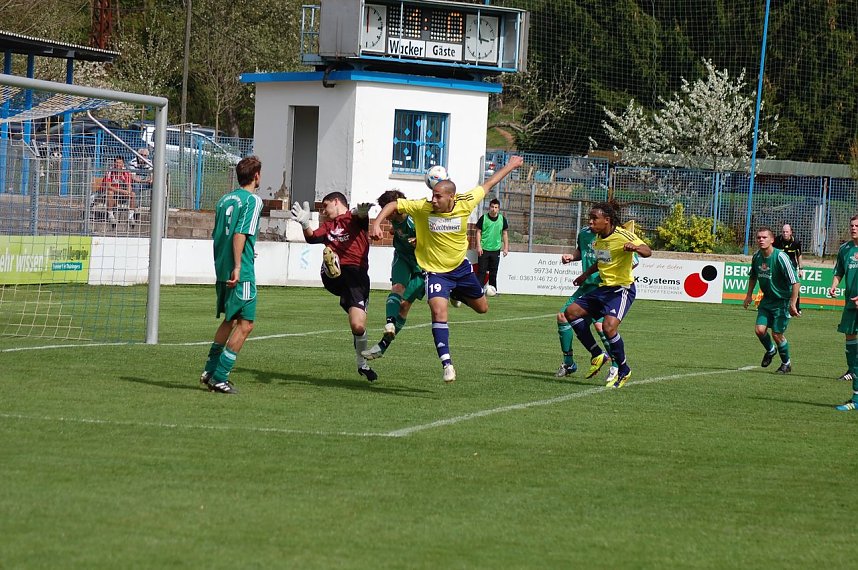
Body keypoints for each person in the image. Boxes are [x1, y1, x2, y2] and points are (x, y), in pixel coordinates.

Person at [369, 155, 525, 383]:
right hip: (435, 272)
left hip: (460, 269)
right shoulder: (423, 207)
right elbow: (394, 204)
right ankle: (447, 364)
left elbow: (489, 184)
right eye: (432, 195)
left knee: (482, 308)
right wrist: (376, 223)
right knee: (438, 311)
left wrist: (511, 165)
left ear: (451, 197)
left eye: (438, 196)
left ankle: (455, 293)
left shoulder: (466, 202)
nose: (433, 199)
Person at [290, 192, 378, 382]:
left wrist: (362, 213)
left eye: (326, 205)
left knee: (358, 325)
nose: (324, 210)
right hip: (335, 276)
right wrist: (305, 224)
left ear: (337, 202)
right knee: (329, 255)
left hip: (357, 278)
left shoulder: (354, 218)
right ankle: (331, 266)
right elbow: (312, 238)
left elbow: (360, 216)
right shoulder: (328, 226)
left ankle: (362, 365)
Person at [564, 202, 652, 389]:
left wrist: (634, 248)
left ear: (607, 220)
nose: (590, 221)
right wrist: (584, 275)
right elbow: (602, 261)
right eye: (590, 217)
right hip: (603, 289)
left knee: (608, 327)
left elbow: (648, 251)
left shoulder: (622, 235)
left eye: (594, 218)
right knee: (570, 313)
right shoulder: (598, 238)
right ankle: (597, 353)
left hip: (622, 289)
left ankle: (623, 369)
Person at [199, 156, 264, 394]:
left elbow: (219, 235)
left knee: (230, 320)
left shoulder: (224, 200)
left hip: (222, 268)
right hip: (241, 271)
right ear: (256, 175)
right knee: (246, 324)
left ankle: (209, 371)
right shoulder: (253, 201)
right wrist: (239, 265)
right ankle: (220, 376)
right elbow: (239, 234)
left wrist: (228, 264)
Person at [361, 189, 425, 360]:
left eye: (387, 210)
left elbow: (432, 237)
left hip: (422, 265)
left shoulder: (416, 218)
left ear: (395, 209)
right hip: (402, 258)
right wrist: (392, 231)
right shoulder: (398, 219)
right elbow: (396, 229)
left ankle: (382, 346)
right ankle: (389, 323)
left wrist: (420, 241)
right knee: (397, 288)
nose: (386, 214)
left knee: (404, 305)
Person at [742, 227, 800, 374]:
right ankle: (771, 350)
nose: (761, 240)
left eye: (764, 237)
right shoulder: (756, 257)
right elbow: (753, 276)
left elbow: (795, 281)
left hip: (782, 301)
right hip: (767, 300)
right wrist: (748, 295)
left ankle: (786, 363)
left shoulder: (781, 257)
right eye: (759, 237)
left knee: (777, 334)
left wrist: (793, 303)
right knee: (759, 330)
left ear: (772, 240)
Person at [829, 215, 858, 410]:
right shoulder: (845, 249)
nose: (854, 228)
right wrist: (834, 286)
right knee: (851, 350)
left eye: (857, 225)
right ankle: (856, 398)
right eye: (852, 225)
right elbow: (839, 271)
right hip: (851, 305)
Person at [475, 198, 509, 294]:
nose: (494, 209)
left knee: (493, 272)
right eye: (492, 207)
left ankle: (493, 291)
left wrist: (506, 247)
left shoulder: (502, 219)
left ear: (498, 209)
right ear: (489, 207)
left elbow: (505, 233)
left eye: (496, 207)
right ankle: (479, 291)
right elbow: (478, 232)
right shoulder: (483, 218)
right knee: (481, 271)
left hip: (496, 249)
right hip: (484, 249)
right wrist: (478, 246)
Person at [774, 223, 803, 314]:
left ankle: (796, 308)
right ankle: (776, 306)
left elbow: (799, 255)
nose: (785, 233)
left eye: (787, 232)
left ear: (791, 232)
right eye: (783, 232)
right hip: (780, 266)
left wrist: (801, 269)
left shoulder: (796, 242)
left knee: (795, 286)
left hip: (792, 266)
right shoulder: (777, 240)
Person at [101, 155, 136, 225]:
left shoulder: (125, 172)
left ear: (123, 164)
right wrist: (123, 191)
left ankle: (130, 217)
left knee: (133, 194)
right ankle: (110, 215)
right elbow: (109, 186)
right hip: (108, 193)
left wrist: (128, 191)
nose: (118, 165)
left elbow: (129, 184)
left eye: (120, 163)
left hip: (120, 194)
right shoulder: (110, 171)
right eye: (116, 162)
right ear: (114, 163)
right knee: (110, 193)